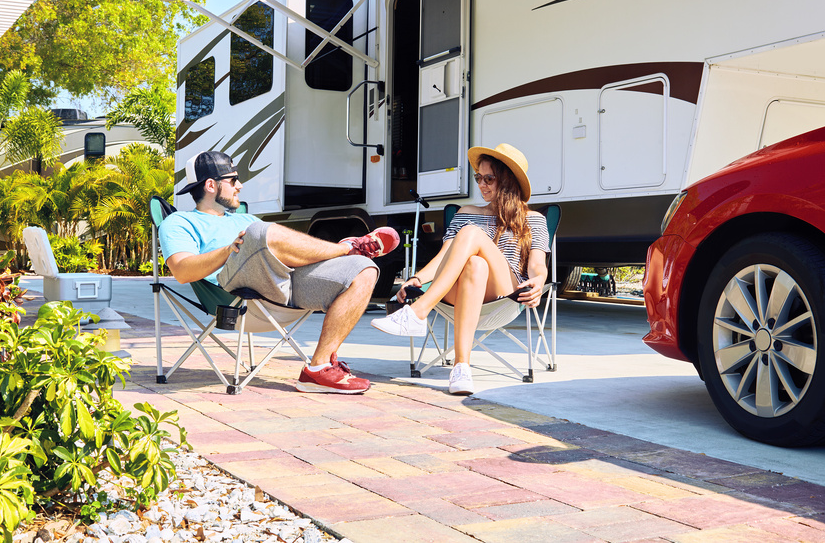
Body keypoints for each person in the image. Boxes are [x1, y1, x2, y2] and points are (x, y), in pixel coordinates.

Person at [159, 150, 400, 395]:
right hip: (234, 295)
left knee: (364, 269)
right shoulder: (179, 222)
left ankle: (318, 369)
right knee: (260, 232)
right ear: (211, 185)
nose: (239, 186)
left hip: (280, 285)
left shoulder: (244, 219)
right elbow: (181, 271)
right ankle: (346, 248)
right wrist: (227, 250)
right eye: (233, 180)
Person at [372, 143, 548, 396]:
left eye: (489, 178)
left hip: (504, 294)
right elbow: (444, 257)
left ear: (508, 181)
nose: (481, 184)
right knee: (475, 264)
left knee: (470, 234)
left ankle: (418, 312)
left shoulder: (534, 220)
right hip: (462, 292)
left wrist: (540, 281)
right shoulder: (466, 213)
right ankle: (461, 368)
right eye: (478, 177)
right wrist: (416, 279)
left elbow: (537, 265)